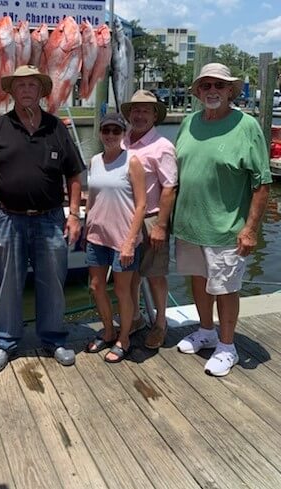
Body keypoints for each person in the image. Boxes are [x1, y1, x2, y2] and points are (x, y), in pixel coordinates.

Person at [0, 65, 85, 373]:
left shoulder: (56, 127)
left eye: (31, 86)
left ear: (40, 91)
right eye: (20, 85)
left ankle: (53, 338)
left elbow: (74, 173)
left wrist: (74, 214)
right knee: (8, 283)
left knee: (53, 282)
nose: (25, 90)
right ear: (11, 91)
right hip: (8, 219)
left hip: (50, 219)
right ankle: (5, 342)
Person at [173, 63, 272, 376]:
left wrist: (250, 229)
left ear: (231, 90)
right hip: (189, 225)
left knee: (226, 289)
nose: (212, 91)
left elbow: (262, 182)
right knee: (199, 281)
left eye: (219, 85)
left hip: (226, 228)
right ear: (198, 92)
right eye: (206, 86)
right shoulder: (188, 123)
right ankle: (206, 331)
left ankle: (227, 345)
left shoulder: (247, 126)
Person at [84, 113, 146, 362]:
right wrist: (87, 222)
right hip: (97, 236)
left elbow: (141, 204)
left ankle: (125, 337)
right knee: (96, 287)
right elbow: (92, 196)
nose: (110, 135)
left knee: (123, 290)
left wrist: (130, 241)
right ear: (100, 133)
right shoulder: (94, 161)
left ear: (123, 134)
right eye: (106, 130)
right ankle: (108, 330)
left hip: (124, 238)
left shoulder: (132, 161)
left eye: (116, 131)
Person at [120, 90, 177, 349]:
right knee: (129, 276)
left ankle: (161, 323)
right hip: (124, 220)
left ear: (155, 115)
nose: (140, 115)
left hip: (151, 218)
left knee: (155, 275)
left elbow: (169, 188)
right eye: (136, 110)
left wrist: (161, 226)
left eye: (146, 110)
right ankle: (135, 318)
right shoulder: (122, 141)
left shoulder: (163, 147)